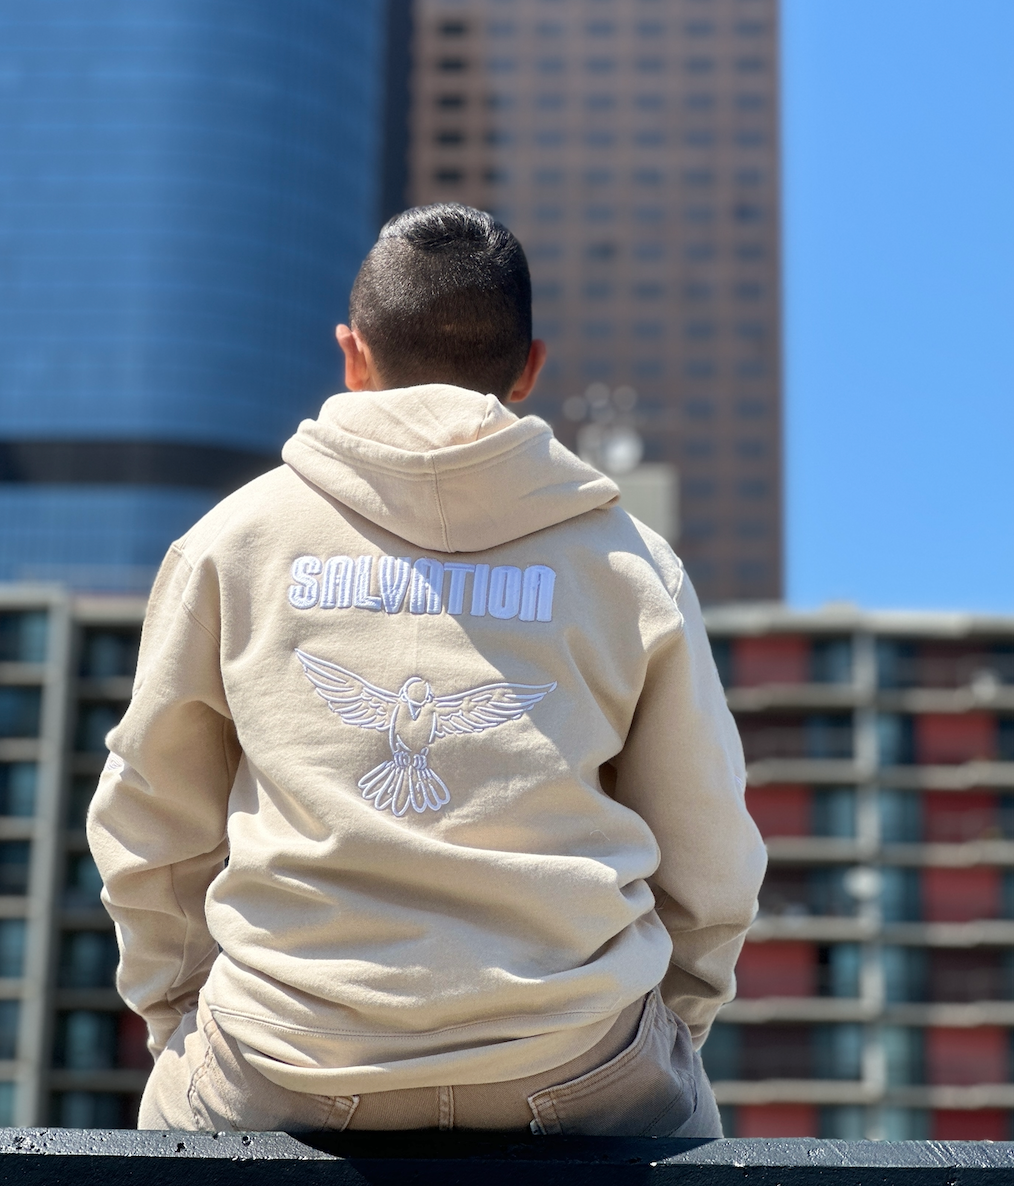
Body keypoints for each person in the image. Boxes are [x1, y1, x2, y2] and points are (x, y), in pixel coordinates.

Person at [87, 203, 766, 1136]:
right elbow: (710, 853)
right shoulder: (634, 565)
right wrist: (669, 1021)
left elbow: (150, 822)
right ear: (528, 370)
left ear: (353, 354)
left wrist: (182, 1016)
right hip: (576, 1061)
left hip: (280, 1055)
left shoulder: (230, 541)